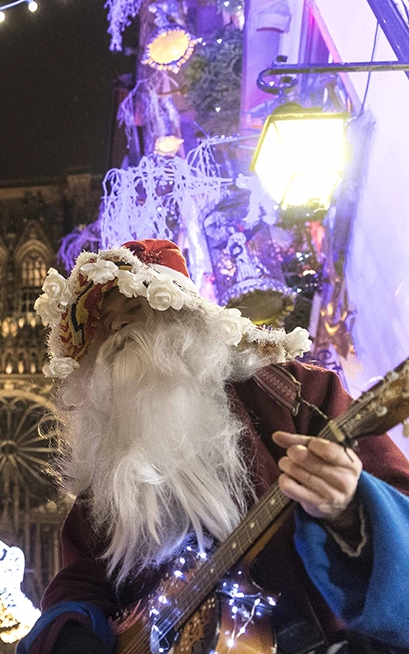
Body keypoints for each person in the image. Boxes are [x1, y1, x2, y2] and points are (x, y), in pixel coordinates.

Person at [23, 240, 409, 654]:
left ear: (182, 315)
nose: (117, 328)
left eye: (133, 309)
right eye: (105, 326)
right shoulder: (106, 475)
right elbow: (81, 583)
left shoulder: (293, 393)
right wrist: (72, 635)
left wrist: (351, 510)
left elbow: (396, 498)